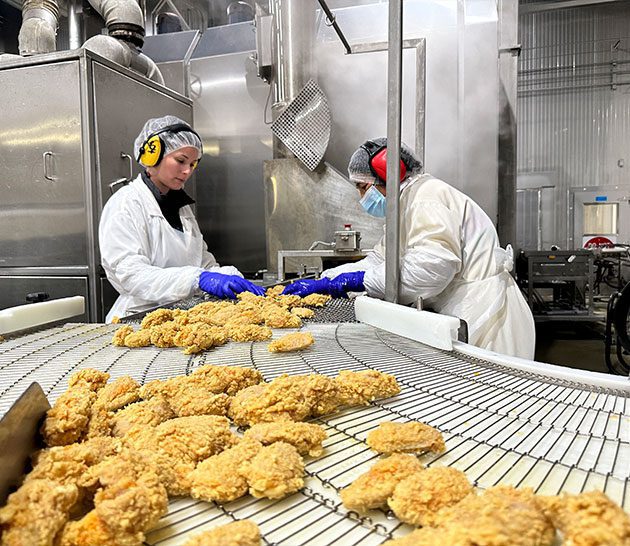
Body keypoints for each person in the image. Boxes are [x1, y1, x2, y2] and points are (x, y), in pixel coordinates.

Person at [283, 137, 535, 359]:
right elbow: (381, 260)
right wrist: (328, 279)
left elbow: (431, 270)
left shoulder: (426, 199)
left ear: (390, 174)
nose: (361, 198)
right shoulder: (404, 206)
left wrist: (355, 282)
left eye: (363, 187)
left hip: (487, 318)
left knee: (489, 403)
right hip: (463, 312)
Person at [99, 115, 264, 322]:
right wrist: (197, 278)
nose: (187, 171)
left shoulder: (181, 207)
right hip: (137, 320)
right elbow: (131, 275)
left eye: (193, 164)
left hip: (182, 318)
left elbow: (202, 262)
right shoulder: (125, 204)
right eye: (180, 161)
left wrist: (227, 275)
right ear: (153, 155)